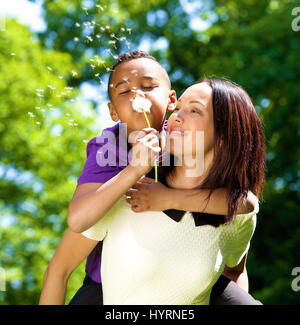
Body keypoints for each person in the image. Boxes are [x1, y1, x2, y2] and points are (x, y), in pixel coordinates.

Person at [39, 68, 265, 304]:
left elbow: (235, 270)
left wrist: (171, 198)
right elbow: (60, 266)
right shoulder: (129, 191)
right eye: (177, 108)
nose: (176, 116)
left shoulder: (237, 213)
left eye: (195, 110)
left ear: (224, 134)